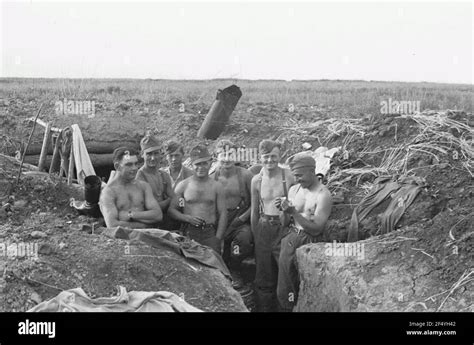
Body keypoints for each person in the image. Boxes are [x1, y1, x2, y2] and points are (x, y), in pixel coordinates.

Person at [276, 153, 333, 311]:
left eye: (300, 175)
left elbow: (316, 229)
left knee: (306, 282)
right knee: (286, 283)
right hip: (290, 239)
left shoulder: (323, 195)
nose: (297, 179)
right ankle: (288, 308)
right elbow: (284, 223)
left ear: (311, 171)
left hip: (310, 242)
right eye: (295, 176)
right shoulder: (294, 190)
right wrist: (283, 210)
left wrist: (294, 212)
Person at [250, 140, 295, 312]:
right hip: (263, 227)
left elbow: (299, 201)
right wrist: (256, 237)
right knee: (263, 275)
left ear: (280, 156)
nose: (270, 161)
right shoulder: (256, 180)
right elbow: (254, 211)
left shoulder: (288, 176)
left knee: (286, 272)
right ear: (260, 157)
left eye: (273, 156)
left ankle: (285, 308)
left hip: (283, 228)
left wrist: (288, 205)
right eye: (266, 157)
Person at [211, 140, 254, 289]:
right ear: (217, 156)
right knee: (213, 245)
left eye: (230, 154)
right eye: (223, 154)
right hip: (219, 220)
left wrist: (242, 218)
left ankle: (235, 270)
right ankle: (218, 273)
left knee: (243, 240)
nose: (227, 158)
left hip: (240, 219)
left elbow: (256, 202)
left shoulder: (246, 176)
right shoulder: (212, 178)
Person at [168, 144, 227, 253]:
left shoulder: (216, 186)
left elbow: (223, 213)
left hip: (209, 232)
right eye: (198, 164)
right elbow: (172, 210)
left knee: (214, 265)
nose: (201, 167)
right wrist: (187, 218)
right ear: (192, 164)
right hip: (190, 232)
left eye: (205, 163)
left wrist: (218, 238)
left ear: (210, 163)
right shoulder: (183, 185)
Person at [99, 147, 163, 229]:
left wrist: (130, 215)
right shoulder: (108, 192)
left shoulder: (143, 186)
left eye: (136, 164)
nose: (134, 168)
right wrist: (144, 224)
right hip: (123, 239)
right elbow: (112, 225)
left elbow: (157, 215)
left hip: (150, 235)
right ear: (117, 166)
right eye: (129, 165)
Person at [135, 135, 175, 230]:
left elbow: (175, 199)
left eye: (156, 153)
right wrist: (169, 201)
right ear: (142, 154)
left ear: (160, 154)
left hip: (165, 221)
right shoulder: (139, 177)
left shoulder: (164, 175)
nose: (153, 158)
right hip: (149, 226)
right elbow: (150, 209)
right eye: (149, 154)